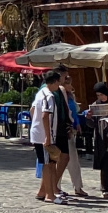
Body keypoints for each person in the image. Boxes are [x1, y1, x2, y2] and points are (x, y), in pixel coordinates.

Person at [31, 71, 68, 204]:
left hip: (39, 133)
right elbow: (45, 115)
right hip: (45, 136)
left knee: (51, 164)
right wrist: (47, 136)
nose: (60, 85)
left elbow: (32, 110)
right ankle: (49, 195)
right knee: (47, 165)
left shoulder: (40, 93)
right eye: (58, 82)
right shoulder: (49, 96)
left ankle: (48, 191)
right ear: (54, 82)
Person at [60, 73, 89, 198]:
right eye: (68, 83)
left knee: (74, 160)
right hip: (64, 131)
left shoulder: (70, 97)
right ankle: (56, 186)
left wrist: (77, 124)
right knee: (61, 160)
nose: (70, 85)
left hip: (72, 129)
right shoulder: (59, 97)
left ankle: (78, 187)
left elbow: (74, 113)